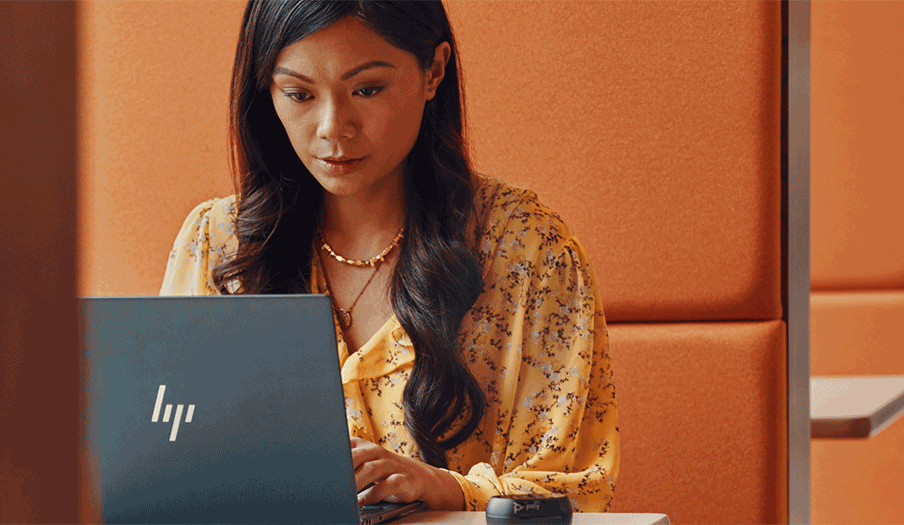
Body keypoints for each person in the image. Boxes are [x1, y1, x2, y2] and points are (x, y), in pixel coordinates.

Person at [160, 0, 618, 513]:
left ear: (434, 70)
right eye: (298, 94)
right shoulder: (220, 245)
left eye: (367, 89)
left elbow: (577, 490)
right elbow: (169, 467)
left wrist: (441, 486)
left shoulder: (529, 251)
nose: (333, 127)